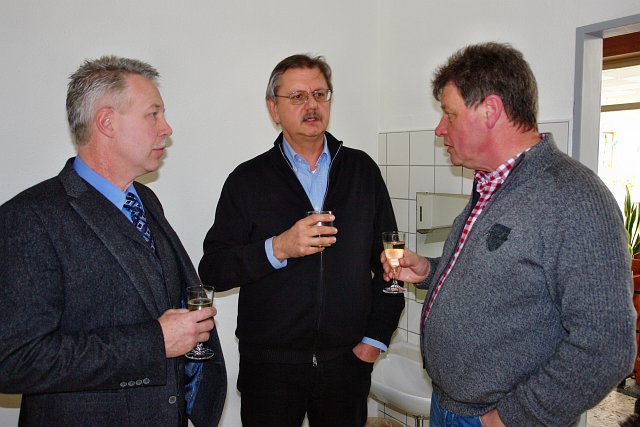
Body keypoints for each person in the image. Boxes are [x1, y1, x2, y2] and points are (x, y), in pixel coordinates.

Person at [381, 42, 636, 427]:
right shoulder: (489, 185)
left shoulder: (575, 198)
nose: (439, 128)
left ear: (490, 110)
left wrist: (511, 417)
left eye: (449, 113)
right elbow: (501, 279)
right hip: (448, 404)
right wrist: (430, 271)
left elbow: (607, 345)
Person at [0, 56, 226, 426]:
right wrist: (154, 342)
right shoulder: (29, 218)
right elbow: (14, 360)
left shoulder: (145, 200)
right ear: (106, 122)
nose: (166, 128)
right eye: (153, 115)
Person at [199, 53, 404, 427]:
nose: (312, 105)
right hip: (269, 369)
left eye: (320, 94)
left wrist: (376, 339)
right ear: (273, 108)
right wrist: (278, 248)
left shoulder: (362, 171)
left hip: (347, 364)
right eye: (297, 97)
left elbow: (393, 257)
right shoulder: (247, 180)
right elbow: (213, 269)